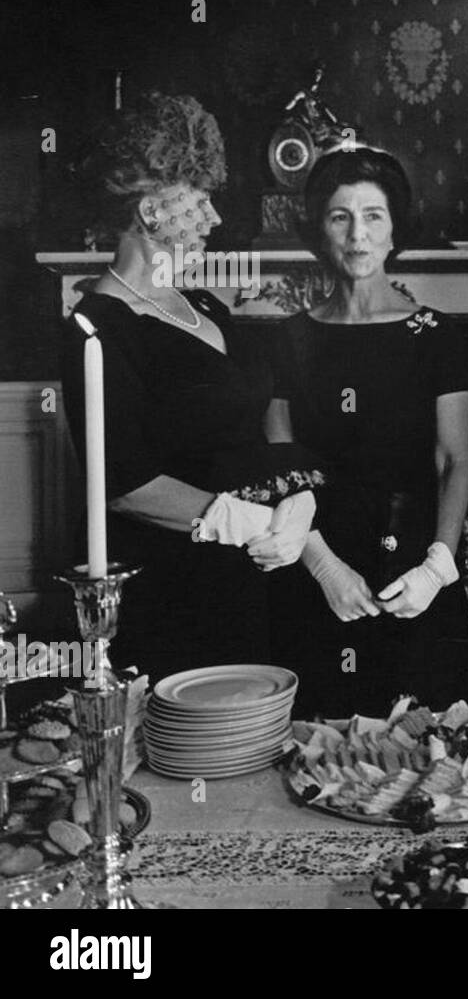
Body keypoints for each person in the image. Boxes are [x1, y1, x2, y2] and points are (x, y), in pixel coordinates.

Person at [61, 92, 317, 682]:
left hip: (241, 572)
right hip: (165, 580)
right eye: (199, 201)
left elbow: (251, 427)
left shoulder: (202, 303)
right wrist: (246, 521)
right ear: (152, 212)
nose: (214, 218)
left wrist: (297, 497)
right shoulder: (94, 325)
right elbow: (122, 484)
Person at [265, 146, 468, 717]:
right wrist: (322, 567)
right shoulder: (288, 339)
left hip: (415, 566)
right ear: (320, 230)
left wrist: (438, 568)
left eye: (373, 216)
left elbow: (453, 460)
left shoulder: (434, 334)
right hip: (320, 566)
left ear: (395, 231)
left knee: (448, 744)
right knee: (322, 754)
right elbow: (279, 467)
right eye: (340, 216)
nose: (357, 235)